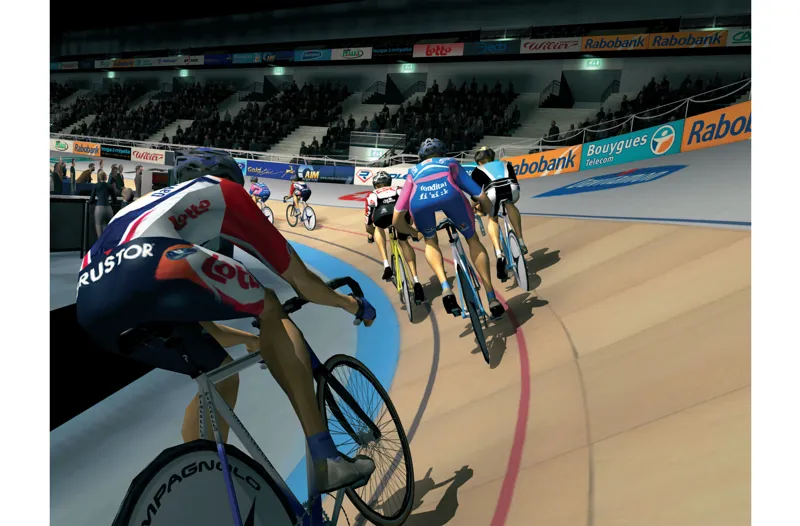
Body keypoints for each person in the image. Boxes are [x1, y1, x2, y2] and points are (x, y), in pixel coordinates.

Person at [75, 148, 376, 495]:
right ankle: (326, 459)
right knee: (270, 307)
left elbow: (202, 324)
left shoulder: (143, 208)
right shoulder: (223, 191)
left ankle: (206, 487)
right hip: (157, 265)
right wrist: (353, 305)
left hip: (91, 304)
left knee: (221, 373)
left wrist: (250, 341)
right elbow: (303, 282)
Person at [392, 138, 505, 319]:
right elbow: (480, 194)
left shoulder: (413, 171)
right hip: (451, 197)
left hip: (420, 204)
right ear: (442, 152)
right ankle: (492, 297)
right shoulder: (450, 162)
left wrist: (414, 232)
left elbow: (396, 218)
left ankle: (446, 288)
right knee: (472, 238)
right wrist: (485, 210)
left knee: (430, 241)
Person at [365, 171, 425, 303]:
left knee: (377, 227)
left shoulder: (372, 194)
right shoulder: (399, 189)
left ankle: (386, 264)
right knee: (404, 242)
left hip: (382, 217)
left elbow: (368, 220)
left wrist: (370, 234)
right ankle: (416, 282)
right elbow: (411, 207)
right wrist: (410, 228)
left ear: (375, 185)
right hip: (401, 218)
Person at [469, 147, 528, 281]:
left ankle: (498, 253)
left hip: (492, 193)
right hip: (512, 189)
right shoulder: (506, 163)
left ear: (479, 161)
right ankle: (520, 241)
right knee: (509, 204)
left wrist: (475, 209)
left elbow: (475, 196)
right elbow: (516, 184)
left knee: (492, 218)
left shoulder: (477, 170)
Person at [88, 170, 117, 237]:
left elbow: (91, 199)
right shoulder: (109, 186)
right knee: (108, 232)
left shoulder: (96, 185)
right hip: (108, 208)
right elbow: (114, 199)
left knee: (99, 229)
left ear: (99, 177)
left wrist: (89, 203)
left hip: (99, 208)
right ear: (106, 177)